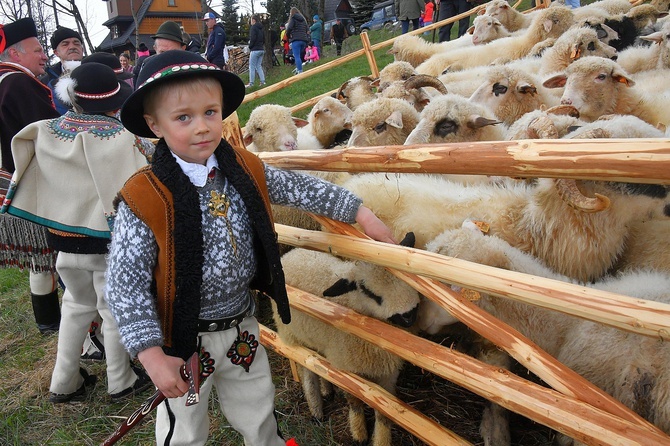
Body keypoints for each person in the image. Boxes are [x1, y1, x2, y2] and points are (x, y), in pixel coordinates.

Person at [107, 50, 396, 445]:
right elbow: (126, 284)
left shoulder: (242, 167)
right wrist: (152, 354)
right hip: (183, 341)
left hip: (241, 325)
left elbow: (299, 187)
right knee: (184, 428)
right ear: (154, 124)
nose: (203, 128)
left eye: (210, 112)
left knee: (258, 406)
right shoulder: (144, 198)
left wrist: (358, 211)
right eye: (183, 117)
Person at [4, 62, 151, 403]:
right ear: (117, 101)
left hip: (63, 242)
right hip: (106, 242)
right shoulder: (123, 136)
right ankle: (121, 379)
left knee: (75, 305)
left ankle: (64, 381)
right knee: (112, 308)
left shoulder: (46, 130)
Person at [0, 17, 61, 334]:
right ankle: (65, 324)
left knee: (41, 258)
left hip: (18, 183)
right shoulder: (19, 84)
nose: (44, 56)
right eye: (37, 50)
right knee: (51, 254)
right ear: (14, 53)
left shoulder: (7, 83)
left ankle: (49, 321)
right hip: (34, 183)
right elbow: (50, 134)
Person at [39, 26, 84, 115]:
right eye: (65, 44)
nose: (72, 47)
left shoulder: (98, 72)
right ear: (56, 52)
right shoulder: (45, 83)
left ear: (82, 49)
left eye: (76, 43)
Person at [286, 7, 310, 74]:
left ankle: (300, 71)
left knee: (296, 56)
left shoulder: (293, 19)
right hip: (304, 41)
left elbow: (289, 29)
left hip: (296, 40)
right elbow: (308, 30)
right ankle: (298, 67)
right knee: (298, 56)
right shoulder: (303, 20)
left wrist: (289, 36)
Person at [247, 14, 266, 88]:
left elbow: (253, 39)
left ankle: (251, 83)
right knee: (258, 66)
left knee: (251, 66)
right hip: (261, 49)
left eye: (251, 20)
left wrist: (250, 46)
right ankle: (263, 81)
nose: (250, 22)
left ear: (254, 20)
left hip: (255, 50)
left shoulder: (253, 28)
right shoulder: (261, 28)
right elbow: (264, 39)